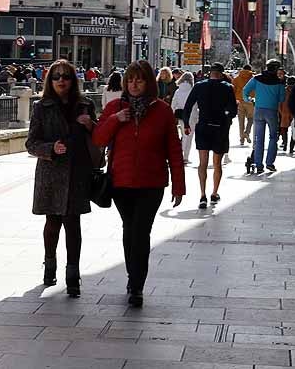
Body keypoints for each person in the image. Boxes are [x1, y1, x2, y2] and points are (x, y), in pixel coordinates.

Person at [93, 60, 185, 307]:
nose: (134, 84)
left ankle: (136, 285)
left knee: (141, 232)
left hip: (151, 183)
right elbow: (98, 138)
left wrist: (179, 184)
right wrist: (116, 119)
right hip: (121, 183)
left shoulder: (162, 111)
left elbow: (174, 150)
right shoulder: (115, 107)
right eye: (130, 80)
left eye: (139, 79)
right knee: (129, 230)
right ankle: (132, 277)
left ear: (148, 83)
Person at [25, 59, 101, 297]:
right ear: (50, 80)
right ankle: (49, 265)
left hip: (77, 171)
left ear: (72, 80)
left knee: (73, 223)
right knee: (53, 223)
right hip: (51, 172)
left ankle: (73, 274)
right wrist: (50, 149)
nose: (61, 80)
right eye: (56, 76)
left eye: (65, 76)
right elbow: (31, 143)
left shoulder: (85, 105)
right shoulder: (41, 107)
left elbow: (99, 137)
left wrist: (90, 124)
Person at [183, 63, 237, 209]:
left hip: (203, 127)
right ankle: (214, 193)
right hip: (220, 128)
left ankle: (202, 195)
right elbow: (233, 111)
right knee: (217, 163)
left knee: (203, 163)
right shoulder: (227, 88)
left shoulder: (199, 86)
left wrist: (187, 124)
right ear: (221, 73)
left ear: (210, 73)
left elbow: (188, 106)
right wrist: (226, 116)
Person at [242, 59, 286, 174]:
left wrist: (249, 100)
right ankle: (270, 163)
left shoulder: (257, 78)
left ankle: (258, 164)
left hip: (258, 110)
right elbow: (282, 99)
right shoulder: (280, 82)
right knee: (273, 137)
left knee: (258, 138)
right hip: (272, 111)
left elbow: (245, 90)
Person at [171, 71, 196, 163]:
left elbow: (174, 103)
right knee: (189, 137)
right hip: (191, 115)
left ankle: (180, 154)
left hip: (180, 115)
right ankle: (185, 156)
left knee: (183, 135)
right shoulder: (193, 90)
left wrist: (172, 114)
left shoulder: (178, 91)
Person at [231, 65, 254, 146]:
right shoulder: (253, 78)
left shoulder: (236, 79)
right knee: (251, 119)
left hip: (240, 101)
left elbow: (233, 90)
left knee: (241, 121)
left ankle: (241, 139)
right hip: (250, 101)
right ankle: (247, 132)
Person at [279, 74, 295, 153]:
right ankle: (291, 147)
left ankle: (285, 144)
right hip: (294, 113)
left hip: (285, 113)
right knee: (294, 131)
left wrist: (281, 112)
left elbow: (279, 103)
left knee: (284, 130)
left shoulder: (283, 91)